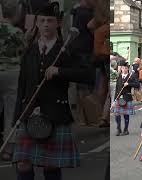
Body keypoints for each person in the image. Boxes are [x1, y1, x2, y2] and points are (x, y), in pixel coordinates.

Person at [12, 2, 95, 180]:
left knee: (51, 166)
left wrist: (60, 71)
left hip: (55, 114)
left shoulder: (65, 50)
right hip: (28, 114)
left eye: (50, 21)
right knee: (22, 163)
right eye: (42, 21)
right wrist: (16, 118)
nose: (46, 25)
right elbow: (22, 86)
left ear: (57, 23)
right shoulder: (29, 51)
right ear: (37, 23)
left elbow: (88, 75)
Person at [0, 0, 25, 161]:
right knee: (11, 111)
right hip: (12, 73)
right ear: (16, 13)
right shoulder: (17, 32)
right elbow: (23, 53)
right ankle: (7, 149)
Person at [112, 62, 139, 136]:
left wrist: (129, 84)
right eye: (123, 68)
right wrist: (114, 100)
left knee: (126, 115)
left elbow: (137, 85)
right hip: (119, 98)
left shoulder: (131, 77)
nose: (124, 69)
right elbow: (117, 89)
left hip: (127, 98)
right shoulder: (119, 77)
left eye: (126, 68)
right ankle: (118, 129)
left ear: (128, 69)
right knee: (117, 114)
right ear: (121, 69)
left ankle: (126, 130)